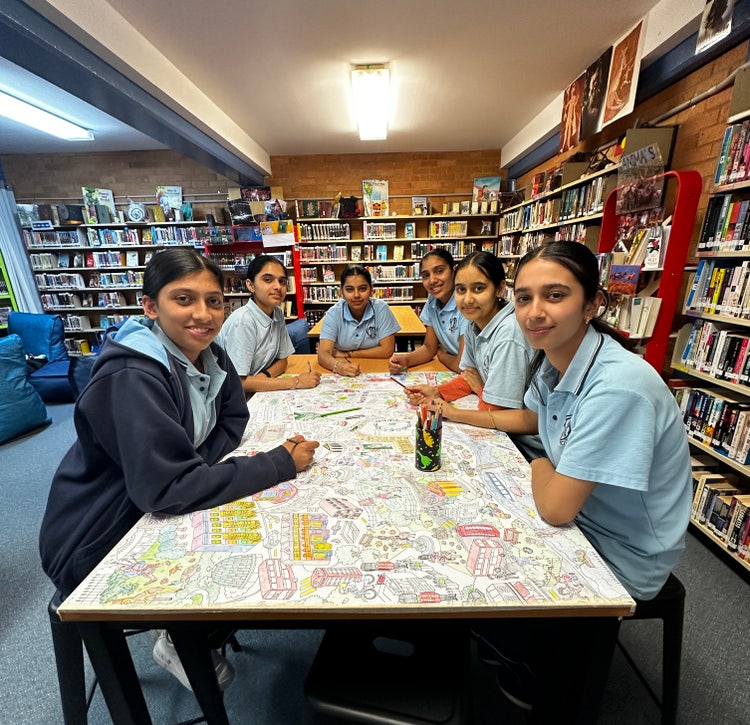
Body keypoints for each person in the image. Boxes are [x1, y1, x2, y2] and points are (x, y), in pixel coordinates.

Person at [39, 248, 319, 691]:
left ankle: (195, 629)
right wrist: (278, 463)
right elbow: (167, 490)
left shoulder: (211, 354)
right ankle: (175, 633)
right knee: (243, 553)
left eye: (213, 301)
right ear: (150, 306)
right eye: (183, 299)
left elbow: (232, 421)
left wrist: (196, 468)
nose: (203, 314)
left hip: (146, 500)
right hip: (98, 535)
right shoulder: (133, 374)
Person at [465, 241, 692, 719]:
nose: (534, 312)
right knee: (466, 525)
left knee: (480, 561)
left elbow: (555, 508)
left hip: (622, 549)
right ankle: (506, 648)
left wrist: (537, 465)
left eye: (555, 295)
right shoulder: (558, 359)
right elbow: (532, 418)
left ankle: (539, 672)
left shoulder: (618, 385)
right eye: (524, 298)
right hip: (588, 514)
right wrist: (457, 416)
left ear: (592, 304)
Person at [405, 250, 542, 460]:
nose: (468, 299)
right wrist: (437, 393)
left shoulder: (508, 334)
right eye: (461, 290)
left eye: (479, 288)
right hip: (502, 431)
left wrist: (462, 404)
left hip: (524, 447)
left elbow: (496, 411)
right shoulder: (472, 323)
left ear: (500, 288)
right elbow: (469, 377)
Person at [218, 255, 320, 393]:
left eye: (282, 281)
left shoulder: (277, 313)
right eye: (267, 280)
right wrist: (296, 382)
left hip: (255, 391)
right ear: (250, 285)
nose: (278, 286)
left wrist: (263, 378)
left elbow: (283, 361)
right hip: (232, 400)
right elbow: (238, 383)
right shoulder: (244, 320)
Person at [388, 249, 467, 374]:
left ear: (453, 271)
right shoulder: (432, 300)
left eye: (439, 271)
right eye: (426, 275)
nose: (432, 280)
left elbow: (462, 365)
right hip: (453, 371)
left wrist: (442, 355)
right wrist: (406, 360)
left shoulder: (466, 304)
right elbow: (429, 348)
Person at [317, 265, 400, 376]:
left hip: (377, 369)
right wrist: (339, 366)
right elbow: (323, 354)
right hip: (343, 369)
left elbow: (387, 350)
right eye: (350, 289)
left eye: (362, 289)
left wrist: (348, 354)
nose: (356, 295)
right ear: (341, 291)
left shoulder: (381, 308)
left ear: (371, 289)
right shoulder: (333, 313)